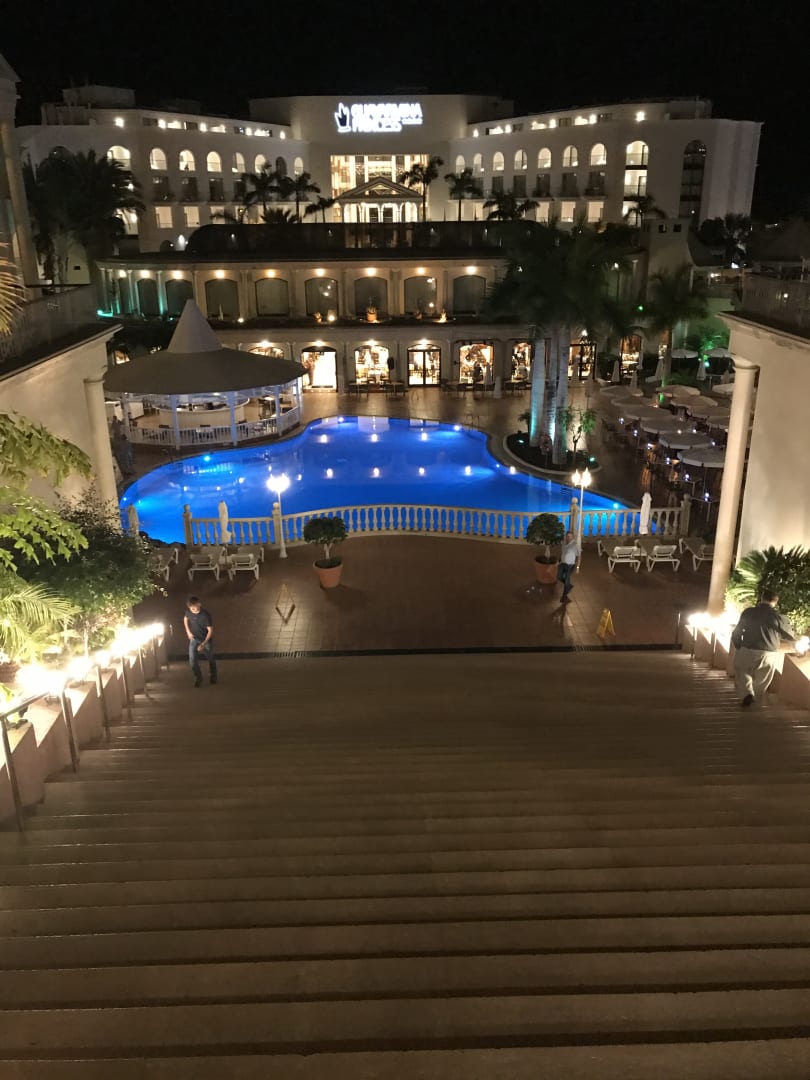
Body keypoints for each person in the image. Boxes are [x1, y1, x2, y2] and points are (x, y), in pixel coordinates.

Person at [730, 588, 794, 707]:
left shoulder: (748, 612)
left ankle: (747, 694)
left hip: (747, 648)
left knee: (742, 671)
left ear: (761, 598)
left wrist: (738, 644)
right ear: (775, 602)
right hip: (769, 652)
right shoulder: (779, 617)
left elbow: (737, 630)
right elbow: (790, 635)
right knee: (763, 678)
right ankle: (754, 697)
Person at [184, 596, 217, 688]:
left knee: (211, 659)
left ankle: (213, 676)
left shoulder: (205, 615)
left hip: (205, 639)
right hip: (194, 639)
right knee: (192, 660)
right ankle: (198, 678)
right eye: (191, 608)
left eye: (194, 607)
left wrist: (204, 643)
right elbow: (185, 619)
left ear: (199, 604)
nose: (193, 609)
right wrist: (188, 631)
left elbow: (210, 630)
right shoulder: (188, 612)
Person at [558, 531, 580, 602]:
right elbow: (562, 553)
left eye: (570, 536)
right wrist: (559, 561)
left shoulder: (575, 545)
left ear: (573, 537)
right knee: (559, 577)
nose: (569, 538)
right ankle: (569, 586)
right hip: (562, 563)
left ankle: (564, 596)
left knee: (567, 578)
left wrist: (577, 567)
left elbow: (579, 556)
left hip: (570, 565)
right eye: (567, 536)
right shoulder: (564, 543)